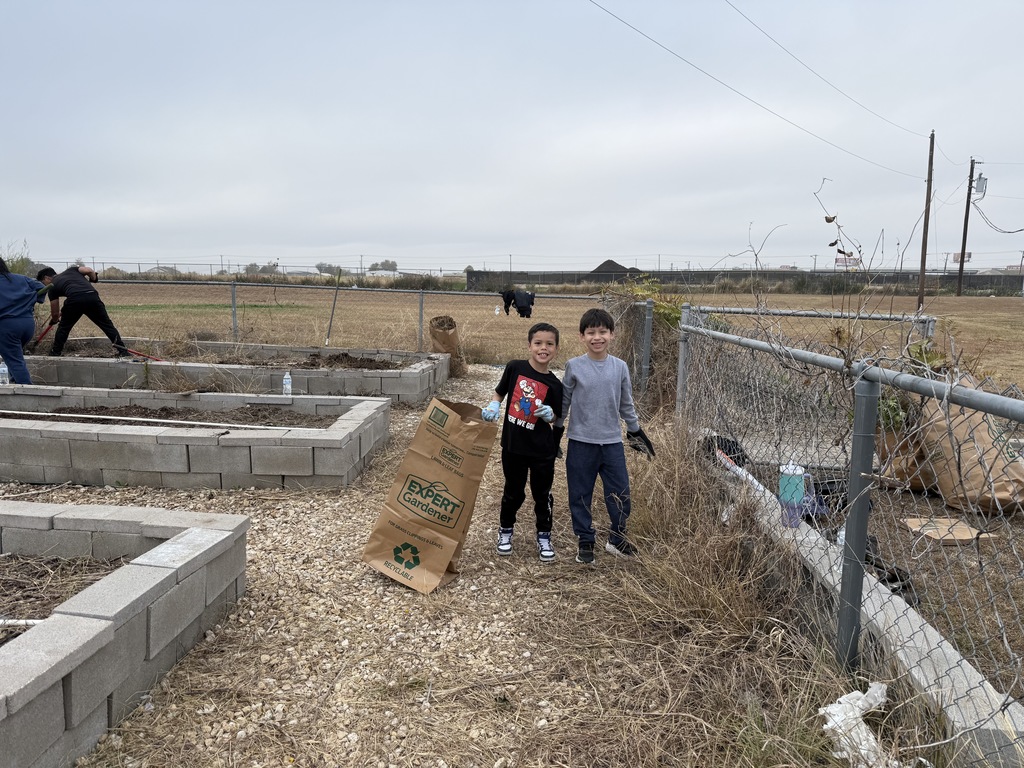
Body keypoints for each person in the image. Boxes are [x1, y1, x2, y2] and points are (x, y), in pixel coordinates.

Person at [558, 307, 655, 564]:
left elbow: (626, 403)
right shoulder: (574, 366)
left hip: (612, 443)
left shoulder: (620, 367)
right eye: (591, 332)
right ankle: (585, 540)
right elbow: (564, 401)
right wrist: (556, 431)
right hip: (580, 442)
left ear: (612, 334)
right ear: (582, 336)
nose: (597, 337)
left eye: (602, 332)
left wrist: (635, 430)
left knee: (620, 491)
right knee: (580, 493)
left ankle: (617, 538)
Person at [481, 321, 564, 562]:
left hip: (542, 450)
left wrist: (550, 414)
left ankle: (544, 536)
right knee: (513, 492)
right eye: (538, 343)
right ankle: (505, 531)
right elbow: (500, 392)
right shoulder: (514, 368)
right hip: (513, 446)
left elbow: (557, 417)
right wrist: (494, 404)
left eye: (549, 344)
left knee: (542, 493)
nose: (543, 348)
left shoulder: (555, 385)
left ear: (556, 349)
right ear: (529, 345)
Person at [36, 265, 131, 357]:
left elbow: (55, 313)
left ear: (46, 278)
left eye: (43, 283)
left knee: (64, 328)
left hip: (74, 300)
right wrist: (94, 279)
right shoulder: (72, 270)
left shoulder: (52, 286)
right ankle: (123, 351)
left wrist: (54, 320)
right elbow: (89, 270)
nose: (45, 286)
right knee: (107, 325)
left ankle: (55, 353)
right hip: (92, 296)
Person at [0, 258, 48, 384]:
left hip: (6, 326)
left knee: (15, 361)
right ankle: (15, 382)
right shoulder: (21, 278)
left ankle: (27, 392)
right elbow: (42, 287)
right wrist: (32, 299)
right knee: (13, 357)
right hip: (27, 324)